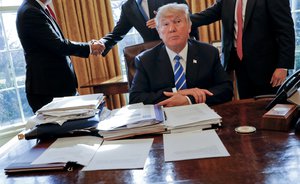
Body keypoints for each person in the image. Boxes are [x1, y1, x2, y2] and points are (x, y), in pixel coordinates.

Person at [129, 3, 233, 107]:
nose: (172, 29)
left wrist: (189, 99)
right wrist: (178, 93)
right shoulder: (146, 60)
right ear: (159, 32)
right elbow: (135, 99)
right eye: (165, 24)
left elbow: (226, 89)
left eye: (177, 22)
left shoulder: (208, 52)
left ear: (189, 26)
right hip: (166, 119)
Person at [190, 0, 295, 99]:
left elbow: (285, 30)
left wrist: (283, 66)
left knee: (268, 108)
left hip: (267, 67)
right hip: (239, 64)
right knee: (246, 106)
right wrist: (181, 21)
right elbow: (208, 15)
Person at [16, 0, 105, 113]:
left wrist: (89, 45)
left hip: (58, 88)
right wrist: (89, 47)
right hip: (48, 90)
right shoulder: (30, 11)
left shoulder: (38, 8)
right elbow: (58, 45)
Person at [100, 0, 199, 56]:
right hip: (155, 57)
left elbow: (188, 19)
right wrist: (101, 43)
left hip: (183, 50)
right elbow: (117, 33)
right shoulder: (128, 7)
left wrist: (164, 21)